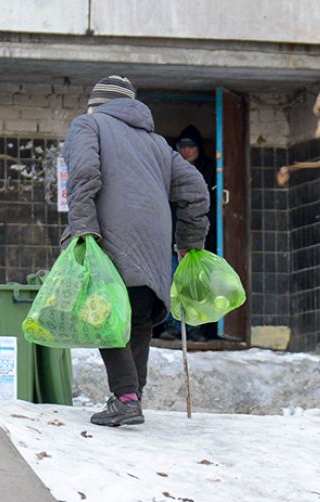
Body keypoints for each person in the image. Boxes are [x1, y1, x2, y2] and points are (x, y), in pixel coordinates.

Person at [62, 76, 209, 426]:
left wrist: (84, 228)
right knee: (138, 317)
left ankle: (126, 398)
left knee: (102, 313)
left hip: (110, 235)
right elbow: (197, 191)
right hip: (155, 242)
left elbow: (83, 172)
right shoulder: (158, 144)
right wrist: (189, 243)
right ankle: (131, 397)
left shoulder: (88, 124)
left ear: (96, 105)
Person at [158, 125, 219, 342]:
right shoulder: (169, 171)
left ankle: (195, 327)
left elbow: (211, 209)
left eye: (191, 146)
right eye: (183, 146)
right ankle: (172, 325)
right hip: (172, 236)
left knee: (196, 283)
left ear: (199, 148)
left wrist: (204, 237)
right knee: (173, 282)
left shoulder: (210, 171)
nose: (187, 151)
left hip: (199, 239)